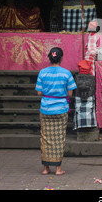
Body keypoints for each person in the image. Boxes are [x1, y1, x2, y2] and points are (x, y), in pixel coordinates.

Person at [35, 47, 77, 175]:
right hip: (61, 109)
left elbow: (39, 92)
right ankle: (58, 169)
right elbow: (70, 94)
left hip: (46, 109)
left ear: (49, 58)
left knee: (45, 137)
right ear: (61, 58)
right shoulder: (66, 73)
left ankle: (46, 168)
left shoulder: (42, 73)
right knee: (59, 138)